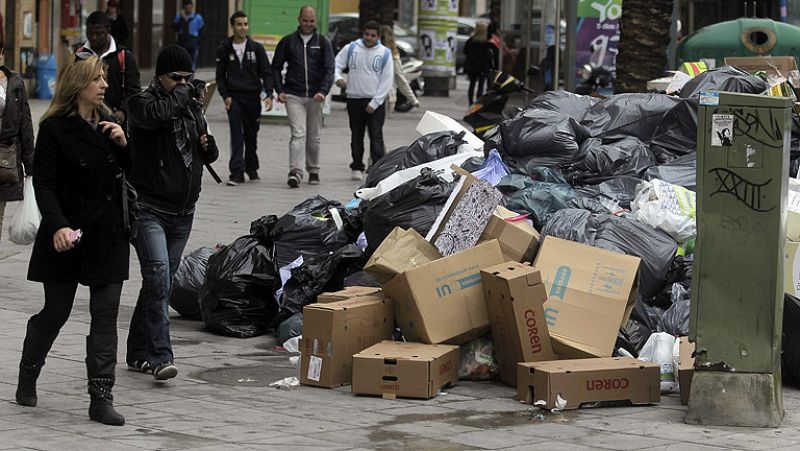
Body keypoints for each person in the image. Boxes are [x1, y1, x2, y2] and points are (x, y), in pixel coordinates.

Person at [17, 54, 130, 426]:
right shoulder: (54, 129)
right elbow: (45, 185)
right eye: (96, 79)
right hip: (67, 234)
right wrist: (59, 227)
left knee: (105, 317)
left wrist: (124, 145)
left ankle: (101, 397)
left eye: (104, 78)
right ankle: (28, 372)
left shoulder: (111, 126)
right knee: (56, 312)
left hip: (108, 235)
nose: (104, 85)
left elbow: (133, 178)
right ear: (77, 84)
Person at [126, 45, 219, 381]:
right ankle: (160, 356)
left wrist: (209, 148)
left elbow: (206, 152)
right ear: (160, 76)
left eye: (187, 78)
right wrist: (185, 96)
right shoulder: (142, 103)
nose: (182, 84)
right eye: (175, 78)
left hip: (183, 212)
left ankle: (137, 351)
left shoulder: (191, 107)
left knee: (158, 285)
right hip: (148, 208)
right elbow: (157, 117)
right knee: (158, 279)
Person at [272, 6, 334, 188]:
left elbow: (329, 69)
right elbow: (275, 67)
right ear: (299, 19)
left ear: (316, 21)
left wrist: (323, 90)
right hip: (294, 95)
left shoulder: (323, 42)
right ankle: (295, 171)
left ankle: (313, 169)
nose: (308, 24)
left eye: (312, 21)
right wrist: (280, 90)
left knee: (313, 136)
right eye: (305, 20)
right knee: (298, 133)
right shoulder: (288, 41)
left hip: (316, 96)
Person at [215, 10, 273, 186]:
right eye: (239, 24)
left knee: (251, 135)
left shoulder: (256, 48)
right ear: (233, 26)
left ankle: (251, 167)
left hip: (252, 97)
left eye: (245, 24)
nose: (243, 28)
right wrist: (225, 96)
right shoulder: (224, 47)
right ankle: (236, 173)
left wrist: (269, 94)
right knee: (236, 135)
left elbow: (266, 72)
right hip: (234, 97)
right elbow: (220, 76)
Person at [334, 21, 393, 181]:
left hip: (375, 102)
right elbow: (336, 65)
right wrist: (338, 79)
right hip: (354, 98)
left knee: (376, 135)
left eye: (373, 35)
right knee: (356, 135)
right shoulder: (351, 48)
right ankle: (357, 166)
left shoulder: (385, 53)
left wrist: (375, 102)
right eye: (367, 34)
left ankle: (377, 168)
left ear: (378, 37)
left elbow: (387, 81)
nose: (369, 38)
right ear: (363, 34)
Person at [78, 11, 141, 126]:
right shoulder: (80, 55)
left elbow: (134, 92)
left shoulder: (124, 56)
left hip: (116, 122)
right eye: (90, 33)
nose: (94, 38)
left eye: (99, 33)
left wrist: (123, 111)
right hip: (85, 121)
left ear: (108, 30)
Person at [0, 40, 35, 244]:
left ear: (2, 51)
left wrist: (30, 166)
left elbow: (25, 124)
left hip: (4, 160)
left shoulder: (14, 83)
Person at [379, 24, 420, 113]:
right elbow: (401, 80)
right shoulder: (393, 57)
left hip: (372, 95)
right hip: (386, 96)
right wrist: (413, 100)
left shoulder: (371, 53)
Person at [464, 22, 493, 106]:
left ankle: (470, 103)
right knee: (480, 86)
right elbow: (488, 57)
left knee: (472, 85)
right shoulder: (486, 43)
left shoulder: (471, 41)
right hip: (482, 68)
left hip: (472, 67)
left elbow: (465, 51)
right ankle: (477, 104)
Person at [172, 0, 204, 70]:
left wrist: (198, 42)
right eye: (186, 8)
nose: (188, 10)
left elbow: (201, 31)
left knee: (192, 60)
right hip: (182, 41)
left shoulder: (197, 17)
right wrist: (182, 19)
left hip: (192, 41)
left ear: (192, 7)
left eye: (189, 8)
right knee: (181, 60)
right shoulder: (179, 16)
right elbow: (175, 28)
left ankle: (190, 75)